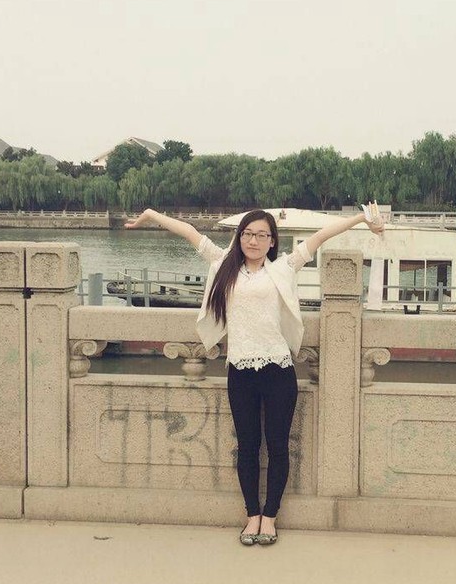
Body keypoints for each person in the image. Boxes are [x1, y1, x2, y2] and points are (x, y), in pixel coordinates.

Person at [124, 205, 384, 546]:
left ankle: (270, 517)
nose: (253, 240)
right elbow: (189, 232)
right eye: (247, 234)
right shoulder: (223, 264)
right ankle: (252, 516)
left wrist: (362, 219)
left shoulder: (284, 267)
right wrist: (150, 214)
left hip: (278, 370)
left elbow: (321, 236)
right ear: (239, 237)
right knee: (247, 446)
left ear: (272, 241)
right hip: (240, 370)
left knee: (277, 446)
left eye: (262, 235)